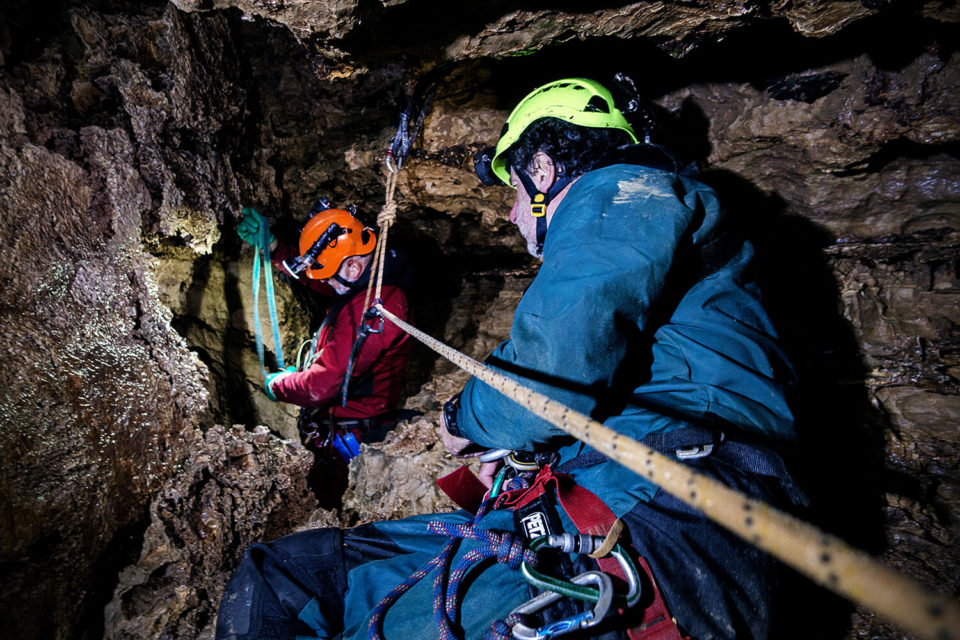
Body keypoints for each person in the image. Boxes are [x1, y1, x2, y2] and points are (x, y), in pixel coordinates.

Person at [217, 78, 805, 640]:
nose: (510, 213)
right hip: (633, 506)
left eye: (515, 192)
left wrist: (461, 420)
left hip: (668, 526)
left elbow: (546, 375)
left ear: (543, 167)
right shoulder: (648, 224)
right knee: (285, 575)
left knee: (300, 589)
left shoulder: (620, 191)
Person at [237, 205, 413, 506]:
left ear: (353, 268)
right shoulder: (364, 282)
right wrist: (276, 249)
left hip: (351, 438)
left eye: (330, 277)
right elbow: (321, 279)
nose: (326, 285)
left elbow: (321, 386)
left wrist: (278, 385)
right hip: (337, 428)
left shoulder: (376, 308)